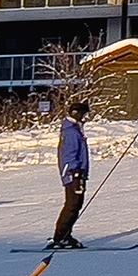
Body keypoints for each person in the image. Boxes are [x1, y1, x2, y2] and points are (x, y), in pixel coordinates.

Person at [47, 100, 91, 250]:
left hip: (76, 173)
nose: (85, 118)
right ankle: (60, 237)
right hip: (73, 174)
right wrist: (76, 173)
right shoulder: (71, 132)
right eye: (84, 114)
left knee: (75, 204)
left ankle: (65, 235)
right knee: (72, 205)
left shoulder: (73, 129)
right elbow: (69, 154)